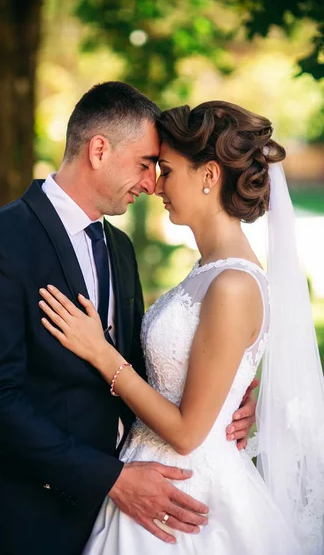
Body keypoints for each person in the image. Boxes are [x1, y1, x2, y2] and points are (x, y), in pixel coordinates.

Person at [0, 84, 257, 555]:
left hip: (135, 505)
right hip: (37, 515)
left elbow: (145, 364)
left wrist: (231, 395)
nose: (151, 183)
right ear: (98, 150)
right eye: (144, 164)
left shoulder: (119, 248)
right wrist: (110, 479)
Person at [39, 100, 324, 554]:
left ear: (209, 176)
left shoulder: (232, 283)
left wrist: (101, 353)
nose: (154, 185)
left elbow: (189, 432)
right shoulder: (209, 270)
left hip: (187, 493)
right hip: (151, 471)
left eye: (166, 170)